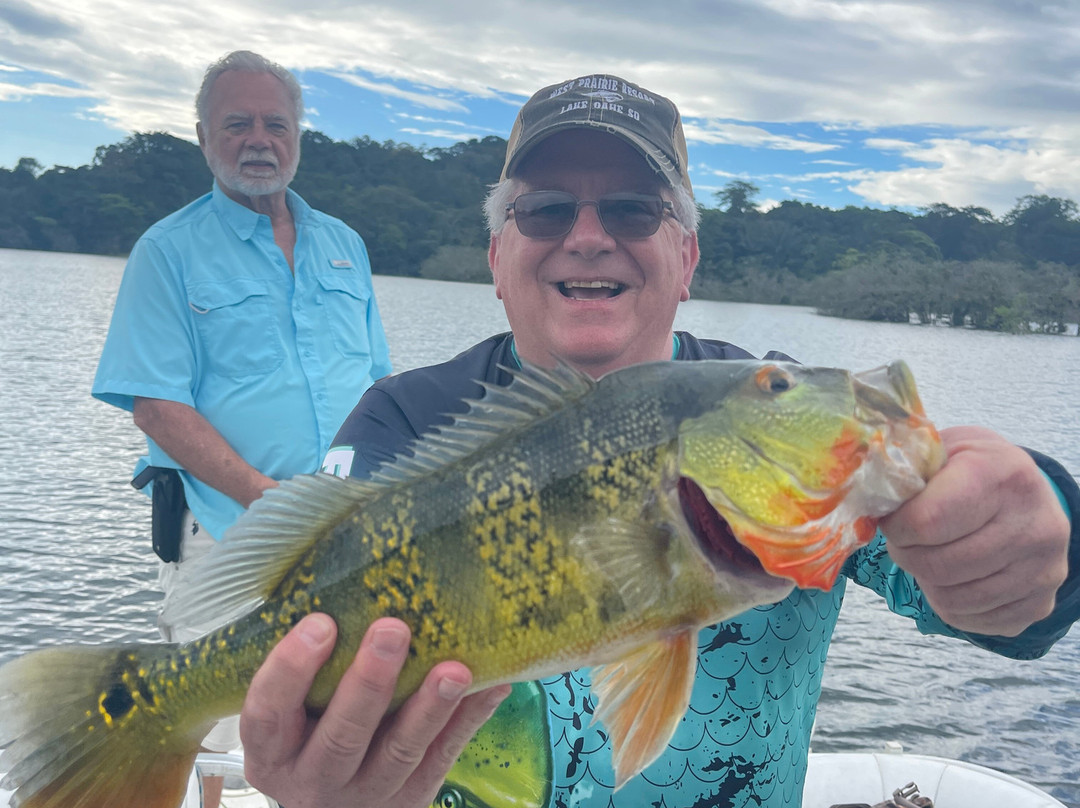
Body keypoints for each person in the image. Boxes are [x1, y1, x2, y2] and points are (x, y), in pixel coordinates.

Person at [237, 74, 1079, 808]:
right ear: (496, 258)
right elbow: (295, 641)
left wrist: (1038, 528)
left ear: (687, 258)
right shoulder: (407, 420)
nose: (589, 234)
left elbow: (1000, 599)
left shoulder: (772, 411)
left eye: (635, 210)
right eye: (546, 209)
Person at [92, 50, 391, 804]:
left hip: (348, 530)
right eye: (237, 124)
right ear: (203, 138)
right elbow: (156, 404)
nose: (259, 140)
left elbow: (382, 388)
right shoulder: (168, 250)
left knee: (333, 712)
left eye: (275, 124)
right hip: (229, 528)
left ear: (297, 137)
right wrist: (266, 497)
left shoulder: (345, 246)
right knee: (217, 722)